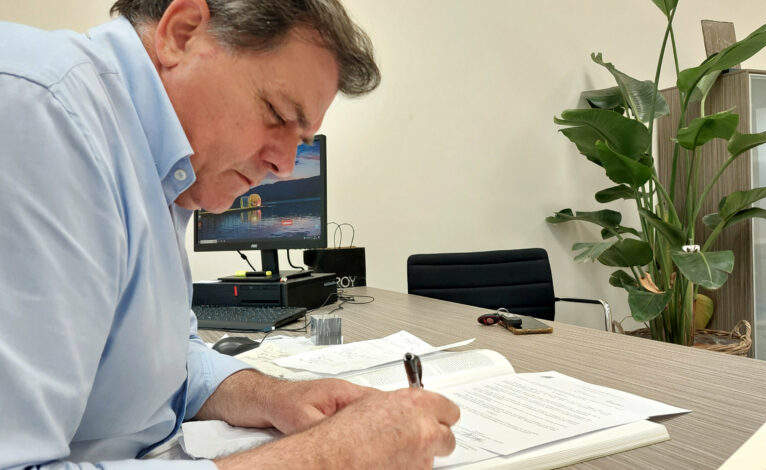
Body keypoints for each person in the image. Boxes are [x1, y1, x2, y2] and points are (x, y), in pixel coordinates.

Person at [0, 0, 459, 468]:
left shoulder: (164, 166)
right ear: (182, 33)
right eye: (276, 112)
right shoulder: (41, 114)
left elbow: (171, 363)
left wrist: (277, 397)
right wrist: (331, 455)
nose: (284, 166)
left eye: (301, 140)